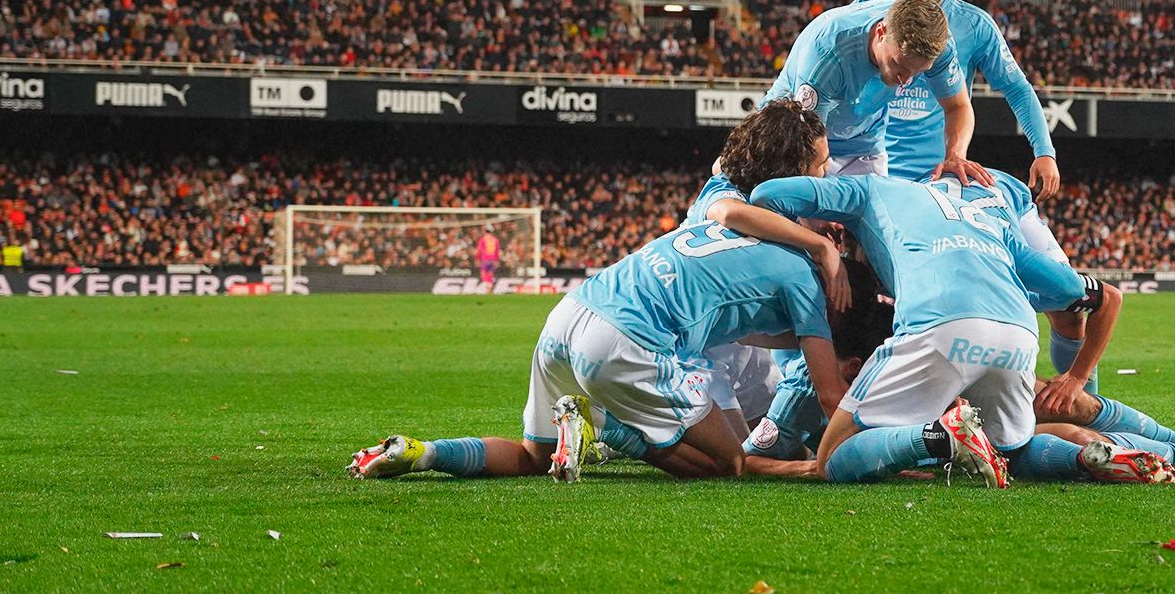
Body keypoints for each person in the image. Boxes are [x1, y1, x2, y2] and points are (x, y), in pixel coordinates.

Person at [348, 102, 860, 481]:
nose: (825, 176)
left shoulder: (725, 198)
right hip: (629, 341)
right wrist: (841, 462)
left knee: (530, 458)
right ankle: (609, 422)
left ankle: (424, 451)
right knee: (729, 463)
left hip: (572, 313)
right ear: (791, 176)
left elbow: (742, 320)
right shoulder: (795, 263)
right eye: (818, 167)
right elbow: (830, 392)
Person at [749, 173, 1175, 487]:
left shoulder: (871, 190)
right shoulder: (991, 223)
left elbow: (766, 194)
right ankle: (1135, 452)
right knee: (1013, 452)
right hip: (1017, 336)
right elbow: (1087, 293)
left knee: (834, 458)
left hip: (939, 328)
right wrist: (1078, 377)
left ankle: (938, 436)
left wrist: (821, 239)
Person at [853, 0, 1059, 200]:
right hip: (867, 172)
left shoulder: (973, 25)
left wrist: (1044, 151)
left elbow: (1017, 88)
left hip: (938, 178)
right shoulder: (865, 13)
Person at [765, 0, 989, 186]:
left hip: (863, 143)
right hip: (790, 139)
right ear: (881, 33)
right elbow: (806, 146)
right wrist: (814, 214)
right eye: (899, 66)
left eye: (917, 72)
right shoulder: (827, 54)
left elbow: (958, 107)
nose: (906, 81)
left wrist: (955, 156)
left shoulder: (939, 45)